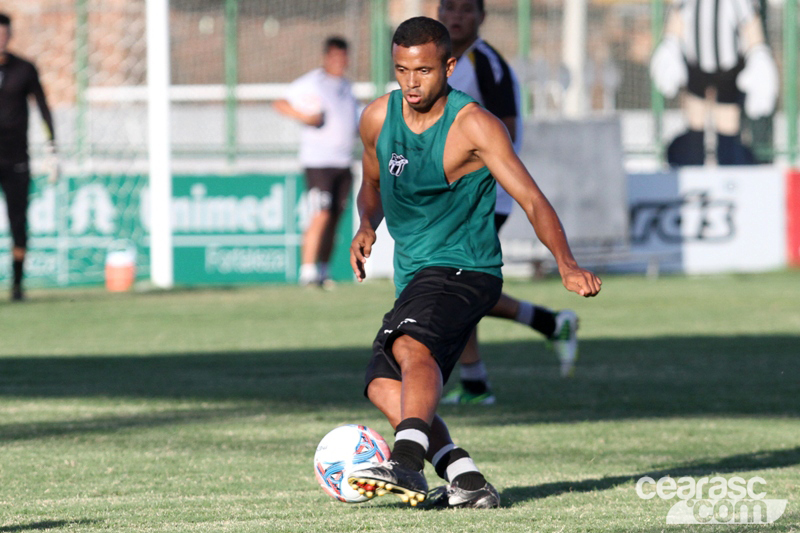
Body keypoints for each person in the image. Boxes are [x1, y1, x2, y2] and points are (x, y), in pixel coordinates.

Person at [347, 17, 601, 509]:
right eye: (401, 70)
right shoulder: (378, 118)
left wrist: (566, 263)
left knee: (411, 346)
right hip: (416, 274)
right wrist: (365, 225)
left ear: (449, 66)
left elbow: (530, 198)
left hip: (467, 267)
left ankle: (405, 465)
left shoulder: (475, 125)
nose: (411, 83)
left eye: (422, 71)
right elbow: (372, 186)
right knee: (382, 384)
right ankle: (466, 481)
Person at [437, 0, 580, 407]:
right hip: (452, 196)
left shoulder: (487, 65)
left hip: (483, 195)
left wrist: (467, 167)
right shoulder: (440, 62)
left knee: (452, 284)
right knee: (455, 283)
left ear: (482, 17)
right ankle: (548, 324)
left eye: (466, 10)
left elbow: (506, 133)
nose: (456, 16)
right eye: (449, 8)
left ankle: (476, 382)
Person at [273, 36, 358, 287]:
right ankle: (307, 272)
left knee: (334, 218)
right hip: (319, 162)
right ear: (326, 57)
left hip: (344, 162)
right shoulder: (312, 83)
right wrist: (304, 117)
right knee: (320, 214)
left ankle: (324, 270)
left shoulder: (346, 87)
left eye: (343, 57)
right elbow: (280, 102)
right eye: (334, 56)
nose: (339, 62)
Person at [650, 0, 778, 166]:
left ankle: (730, 178)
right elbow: (678, 16)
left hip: (728, 72)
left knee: (727, 129)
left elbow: (750, 24)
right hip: (696, 69)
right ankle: (692, 175)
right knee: (695, 126)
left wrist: (759, 55)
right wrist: (670, 44)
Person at [0, 12, 57, 301]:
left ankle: (17, 285)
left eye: (4, 34)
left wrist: (52, 148)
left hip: (16, 158)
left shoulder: (24, 69)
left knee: (18, 221)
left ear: (10, 35)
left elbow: (44, 107)